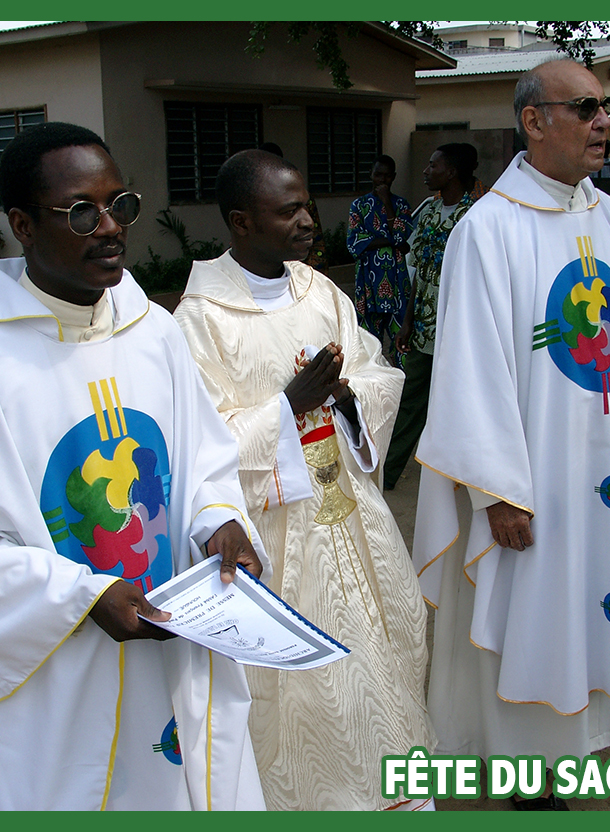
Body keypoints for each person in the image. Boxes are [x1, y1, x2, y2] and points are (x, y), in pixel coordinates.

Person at [0, 122, 268, 811]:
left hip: (168, 644)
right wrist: (81, 595)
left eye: (119, 205)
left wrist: (220, 522)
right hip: (54, 675)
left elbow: (203, 462)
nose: (110, 228)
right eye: (82, 212)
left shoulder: (153, 331)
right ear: (22, 226)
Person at [412, 59, 610, 810]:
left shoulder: (608, 214)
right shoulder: (487, 229)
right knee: (535, 612)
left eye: (607, 108)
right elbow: (471, 369)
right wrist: (498, 491)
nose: (603, 123)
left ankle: (580, 743)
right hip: (534, 472)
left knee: (598, 595)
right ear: (534, 121)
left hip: (607, 459)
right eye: (586, 108)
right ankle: (527, 774)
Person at [173, 149, 434, 811]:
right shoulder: (199, 321)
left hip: (348, 513)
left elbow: (378, 372)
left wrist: (346, 396)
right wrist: (285, 406)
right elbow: (196, 445)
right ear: (240, 221)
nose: (308, 222)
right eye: (286, 210)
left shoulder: (321, 292)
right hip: (272, 536)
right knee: (301, 691)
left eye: (307, 206)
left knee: (380, 658)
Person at [383, 143, 484, 490]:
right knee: (410, 397)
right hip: (425, 327)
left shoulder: (479, 215)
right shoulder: (428, 213)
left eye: (432, 165)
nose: (426, 171)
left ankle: (468, 476)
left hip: (463, 331)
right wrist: (408, 321)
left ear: (452, 171)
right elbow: (419, 274)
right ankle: (387, 473)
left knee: (462, 400)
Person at [347, 155, 413, 361]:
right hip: (368, 285)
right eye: (378, 175)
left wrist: (386, 203)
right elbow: (354, 244)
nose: (382, 180)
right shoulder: (359, 206)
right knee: (368, 346)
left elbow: (403, 236)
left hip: (397, 286)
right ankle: (370, 390)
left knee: (401, 343)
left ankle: (403, 390)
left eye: (387, 176)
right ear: (371, 175)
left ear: (393, 177)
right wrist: (393, 241)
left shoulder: (401, 205)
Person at [259, 142, 328, 273]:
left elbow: (316, 239)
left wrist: (315, 273)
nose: (307, 222)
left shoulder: (301, 198)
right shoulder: (252, 202)